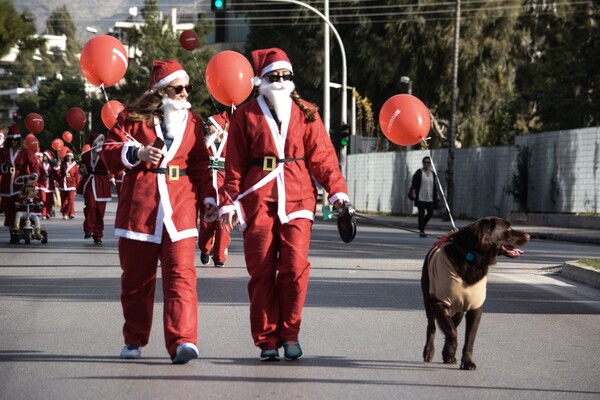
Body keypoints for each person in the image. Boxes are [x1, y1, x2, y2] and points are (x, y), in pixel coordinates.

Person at [219, 48, 350, 362]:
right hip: (257, 198)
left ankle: (290, 334)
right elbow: (233, 162)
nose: (280, 81)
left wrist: (338, 194)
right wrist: (228, 202)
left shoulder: (307, 112)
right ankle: (267, 339)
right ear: (261, 80)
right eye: (273, 76)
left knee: (293, 268)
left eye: (285, 76)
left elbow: (323, 158)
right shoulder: (246, 114)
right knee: (261, 271)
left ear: (292, 79)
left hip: (298, 196)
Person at [101, 60, 217, 364]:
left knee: (182, 277)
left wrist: (208, 198)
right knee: (137, 280)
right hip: (140, 209)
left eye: (187, 88)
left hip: (179, 208)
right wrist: (136, 153)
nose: (184, 93)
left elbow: (201, 168)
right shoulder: (130, 118)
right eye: (178, 88)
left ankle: (183, 341)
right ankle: (134, 339)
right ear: (160, 90)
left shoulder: (193, 122)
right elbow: (109, 152)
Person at [198, 112, 230, 268]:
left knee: (223, 224)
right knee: (206, 223)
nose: (207, 126)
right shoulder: (204, 143)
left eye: (210, 124)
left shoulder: (230, 143)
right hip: (207, 190)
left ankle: (219, 256)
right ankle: (205, 249)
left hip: (224, 190)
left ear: (217, 127)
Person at [0, 124, 41, 228]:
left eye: (16, 140)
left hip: (21, 183)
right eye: (11, 140)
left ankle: (21, 226)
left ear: (19, 140)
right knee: (8, 209)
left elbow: (34, 164)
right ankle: (12, 228)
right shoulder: (3, 152)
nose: (14, 142)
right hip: (7, 184)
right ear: (8, 140)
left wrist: (34, 174)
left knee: (19, 207)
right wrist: (3, 167)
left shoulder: (26, 151)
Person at [79, 133, 112, 244]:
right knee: (91, 206)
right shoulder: (85, 155)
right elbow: (82, 170)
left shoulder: (106, 154)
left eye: (103, 140)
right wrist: (82, 169)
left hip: (102, 183)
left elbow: (111, 167)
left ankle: (98, 235)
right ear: (94, 141)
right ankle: (88, 229)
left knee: (100, 211)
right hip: (90, 182)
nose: (102, 141)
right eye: (100, 139)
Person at [409, 156, 440, 237]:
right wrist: (413, 192)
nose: (426, 164)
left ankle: (421, 226)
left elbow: (434, 186)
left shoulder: (432, 174)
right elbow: (414, 183)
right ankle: (422, 230)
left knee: (430, 212)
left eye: (428, 162)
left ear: (430, 164)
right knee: (421, 213)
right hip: (420, 197)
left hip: (429, 197)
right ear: (423, 163)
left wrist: (437, 195)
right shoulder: (419, 172)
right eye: (425, 162)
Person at [57, 151, 79, 219]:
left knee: (71, 199)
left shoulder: (75, 165)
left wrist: (77, 186)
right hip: (63, 184)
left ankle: (72, 213)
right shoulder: (63, 164)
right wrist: (58, 166)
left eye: (70, 156)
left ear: (72, 157)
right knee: (64, 200)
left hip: (72, 184)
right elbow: (58, 174)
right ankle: (65, 213)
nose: (69, 157)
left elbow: (77, 176)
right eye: (68, 156)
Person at [38, 150, 59, 219]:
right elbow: (38, 173)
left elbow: (56, 175)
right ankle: (43, 213)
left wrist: (57, 169)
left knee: (49, 200)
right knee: (43, 199)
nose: (44, 157)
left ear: (48, 157)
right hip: (42, 183)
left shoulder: (52, 165)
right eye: (43, 155)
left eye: (45, 156)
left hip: (50, 183)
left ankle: (48, 213)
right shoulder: (40, 164)